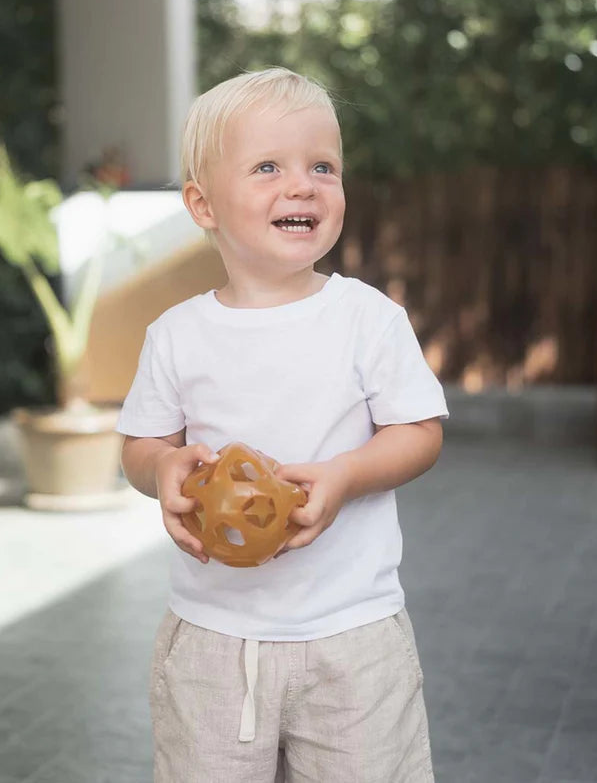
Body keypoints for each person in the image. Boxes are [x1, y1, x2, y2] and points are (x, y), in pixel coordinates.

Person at [117, 67, 448, 782]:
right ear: (203, 205)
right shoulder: (175, 335)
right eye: (268, 166)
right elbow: (142, 445)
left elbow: (420, 432)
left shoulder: (368, 320)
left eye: (322, 167)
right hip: (211, 640)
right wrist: (161, 470)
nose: (302, 185)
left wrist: (346, 476)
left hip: (354, 639)